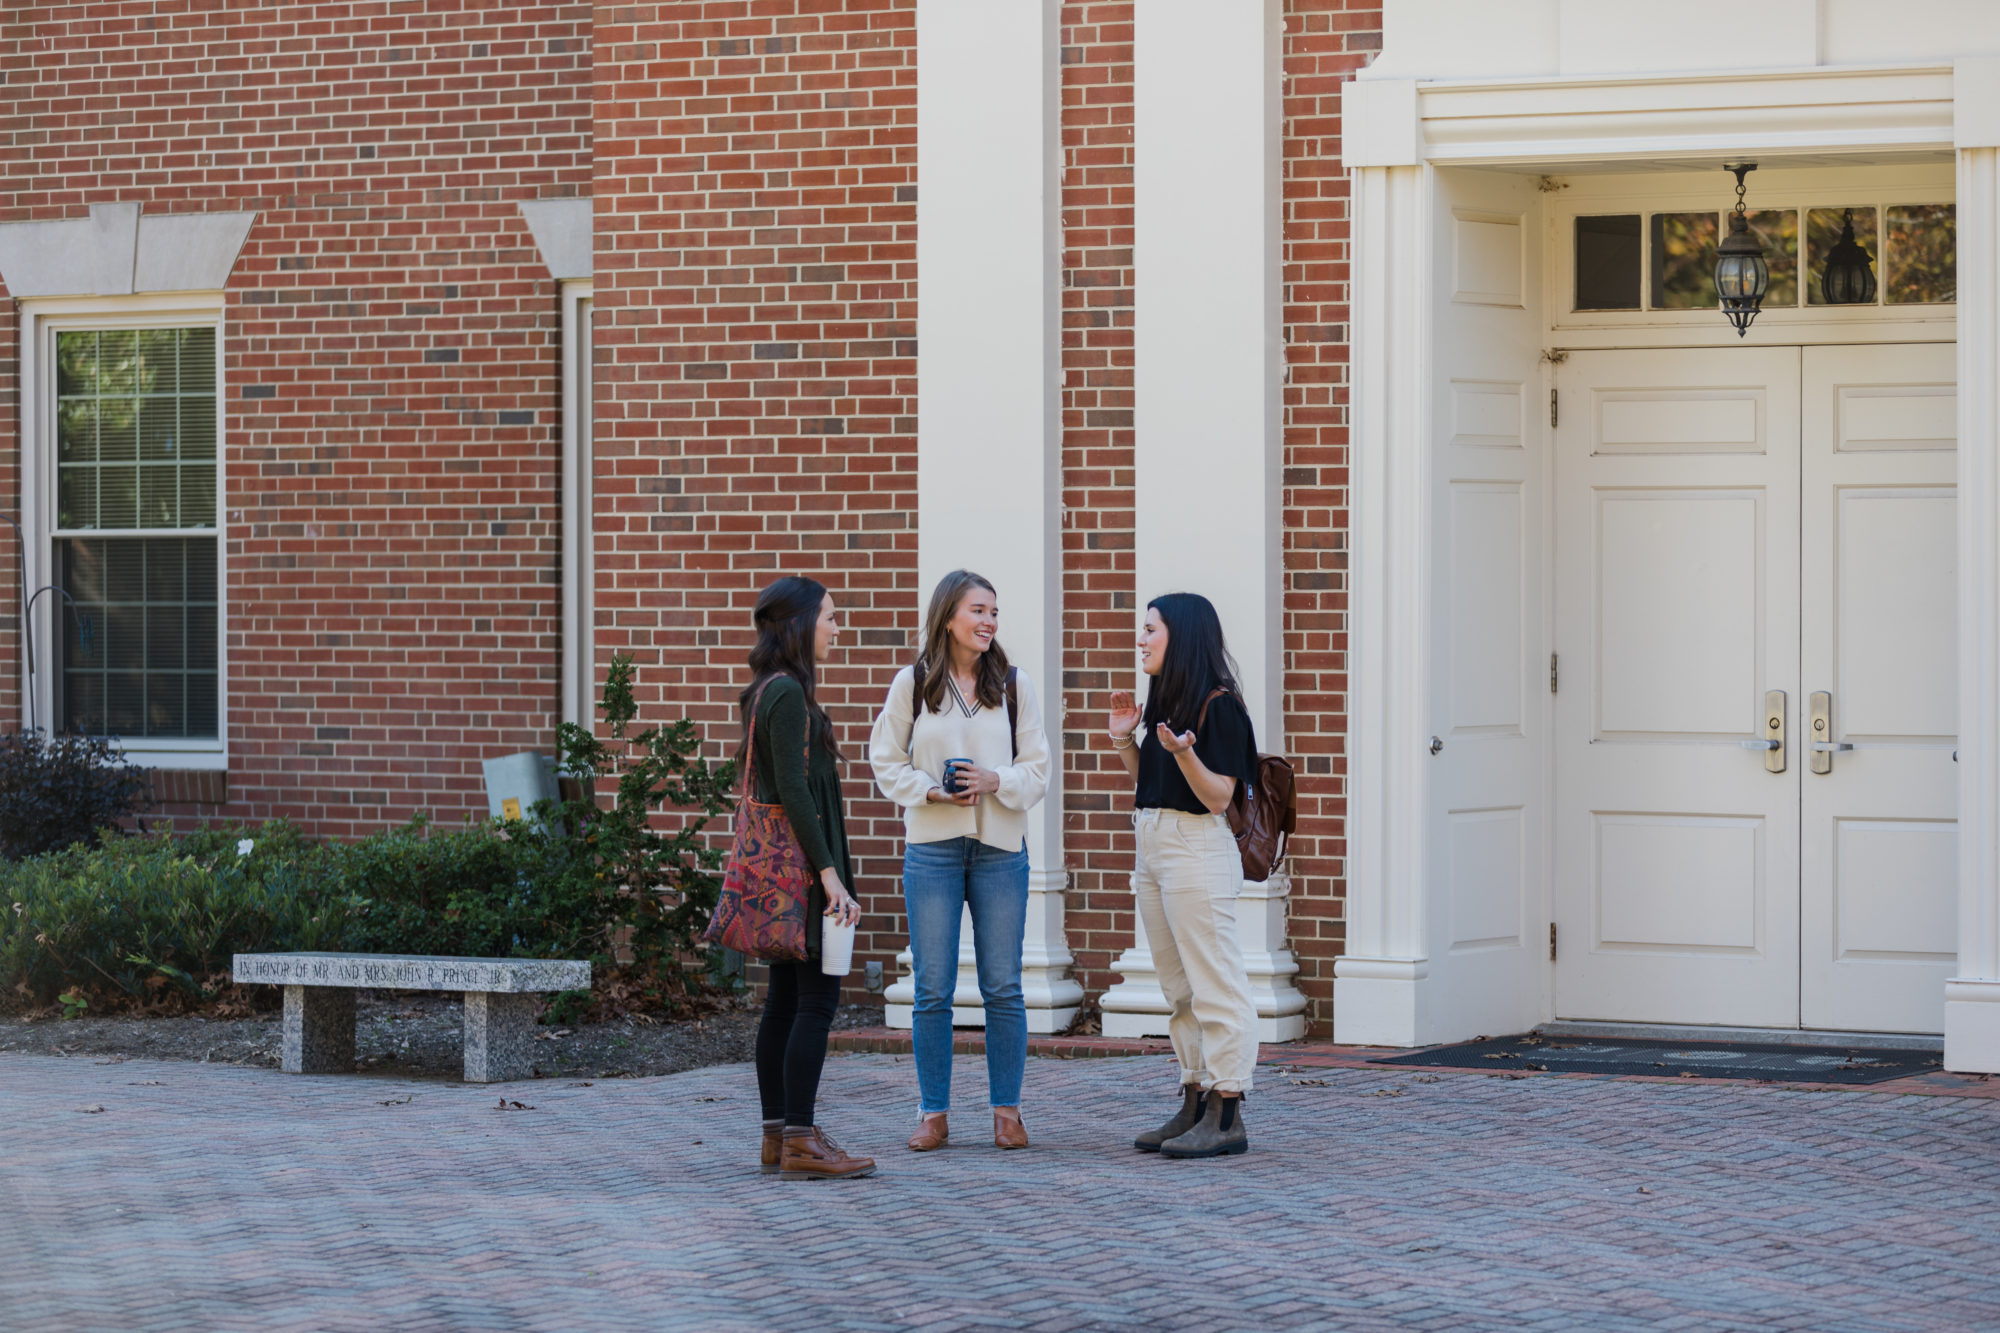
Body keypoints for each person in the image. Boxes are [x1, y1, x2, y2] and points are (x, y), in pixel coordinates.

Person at [870, 570, 1051, 1152]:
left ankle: (1008, 1113)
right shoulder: (914, 683)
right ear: (949, 616)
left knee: (1003, 986)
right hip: (933, 851)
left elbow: (1040, 768)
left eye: (994, 612)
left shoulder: (1015, 684)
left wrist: (998, 778)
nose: (988, 621)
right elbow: (884, 759)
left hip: (1001, 851)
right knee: (932, 987)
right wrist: (931, 790)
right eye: (978, 610)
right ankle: (933, 1113)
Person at [1107, 592, 1261, 1159]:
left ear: (1184, 636)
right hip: (1154, 843)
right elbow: (1152, 782)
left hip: (1195, 847)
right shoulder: (1165, 703)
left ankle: (1228, 1110)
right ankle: (1194, 1097)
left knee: (1214, 980)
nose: (1141, 639)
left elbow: (1218, 797)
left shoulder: (1218, 707)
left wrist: (1184, 753)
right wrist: (1129, 737)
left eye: (1150, 629)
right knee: (1178, 987)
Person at [740, 575, 875, 1181]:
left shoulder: (764, 690)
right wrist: (830, 877)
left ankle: (779, 1134)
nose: (837, 628)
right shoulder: (789, 693)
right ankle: (800, 1138)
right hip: (803, 874)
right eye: (829, 617)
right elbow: (795, 790)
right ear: (798, 624)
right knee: (816, 1001)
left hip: (780, 877)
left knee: (784, 1003)